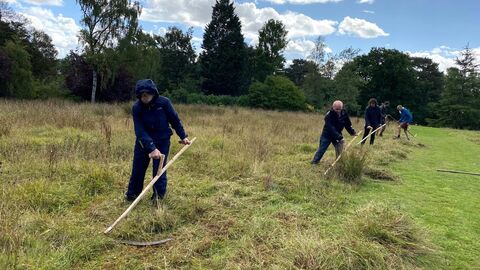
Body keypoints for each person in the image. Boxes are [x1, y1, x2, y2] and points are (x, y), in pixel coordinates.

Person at [125, 79, 190, 203]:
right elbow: (139, 130)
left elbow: (174, 120)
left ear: (153, 93)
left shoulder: (164, 103)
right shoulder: (137, 108)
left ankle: (157, 198)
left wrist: (183, 136)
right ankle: (132, 196)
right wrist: (151, 148)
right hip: (143, 143)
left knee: (159, 172)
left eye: (147, 94)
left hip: (162, 141)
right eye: (142, 95)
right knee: (138, 169)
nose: (145, 97)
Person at [311, 100, 356, 165]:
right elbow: (331, 128)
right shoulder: (328, 115)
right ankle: (314, 162)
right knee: (322, 149)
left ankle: (339, 163)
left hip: (337, 133)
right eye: (336, 109)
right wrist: (340, 137)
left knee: (340, 149)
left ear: (342, 108)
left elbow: (347, 123)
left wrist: (352, 132)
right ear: (333, 107)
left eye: (339, 109)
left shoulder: (344, 113)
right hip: (327, 135)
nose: (338, 111)